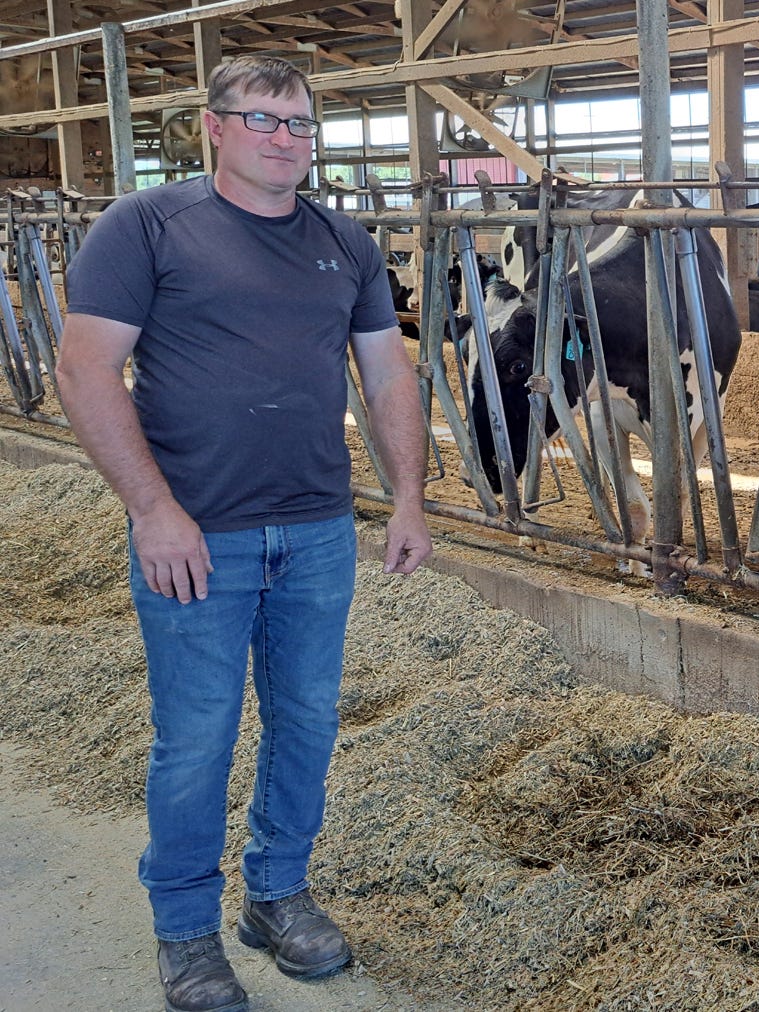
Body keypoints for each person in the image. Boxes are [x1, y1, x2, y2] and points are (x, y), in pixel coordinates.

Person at [55, 54, 431, 1012]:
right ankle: (185, 930)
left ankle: (276, 895)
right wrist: (153, 510)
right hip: (196, 536)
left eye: (300, 123)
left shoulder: (344, 242)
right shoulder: (143, 226)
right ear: (212, 126)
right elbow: (86, 370)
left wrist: (410, 499)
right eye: (262, 119)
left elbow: (387, 376)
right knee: (195, 737)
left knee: (306, 720)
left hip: (314, 529)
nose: (284, 139)